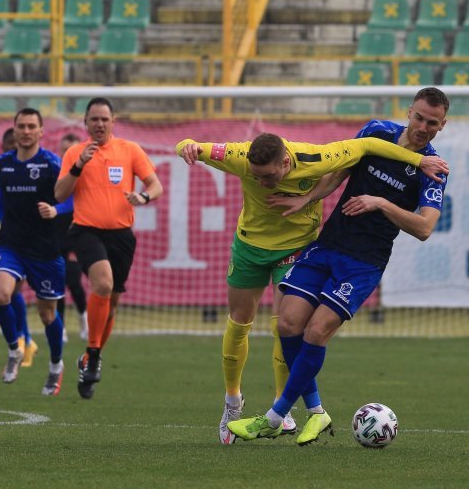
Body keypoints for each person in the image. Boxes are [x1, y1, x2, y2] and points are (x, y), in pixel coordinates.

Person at [177, 125, 450, 444]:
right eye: (257, 176)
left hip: (307, 250)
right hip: (256, 246)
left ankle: (279, 413)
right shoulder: (239, 156)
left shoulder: (317, 158)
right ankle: (237, 403)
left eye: (268, 176)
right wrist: (187, 145)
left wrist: (416, 165)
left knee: (302, 328)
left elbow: (366, 148)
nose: (262, 183)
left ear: (285, 164)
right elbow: (192, 144)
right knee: (257, 325)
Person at [55, 97, 164, 399]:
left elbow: (155, 185)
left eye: (105, 119)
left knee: (112, 303)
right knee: (102, 284)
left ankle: (90, 359)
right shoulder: (76, 152)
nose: (99, 124)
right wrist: (78, 166)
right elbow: (59, 192)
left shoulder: (129, 150)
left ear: (113, 121)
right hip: (86, 231)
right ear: (85, 123)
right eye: (94, 119)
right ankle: (93, 353)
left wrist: (143, 197)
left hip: (121, 235)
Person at [0, 107, 66, 394]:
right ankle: (14, 349)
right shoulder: (3, 164)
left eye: (32, 126)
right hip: (10, 245)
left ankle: (56, 365)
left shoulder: (52, 164)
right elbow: (3, 201)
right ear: (15, 129)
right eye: (21, 126)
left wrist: (56, 210)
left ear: (41, 132)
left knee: (47, 315)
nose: (26, 131)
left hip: (44, 250)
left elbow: (73, 199)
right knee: (1, 294)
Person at [0, 128, 39, 365]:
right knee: (8, 292)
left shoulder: (34, 170)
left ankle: (25, 340)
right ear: (3, 146)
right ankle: (25, 340)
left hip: (26, 238)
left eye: (16, 142)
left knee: (13, 292)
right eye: (9, 143)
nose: (13, 146)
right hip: (2, 239)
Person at [54, 133, 88, 342]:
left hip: (77, 227)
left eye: (71, 149)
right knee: (57, 280)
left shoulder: (86, 171)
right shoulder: (54, 170)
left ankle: (84, 320)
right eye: (64, 149)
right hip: (56, 230)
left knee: (74, 280)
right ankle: (62, 328)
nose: (67, 153)